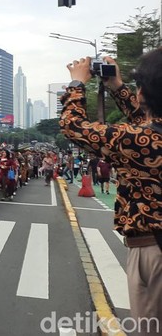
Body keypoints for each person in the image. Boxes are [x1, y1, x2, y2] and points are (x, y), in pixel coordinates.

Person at [60, 51, 162, 333]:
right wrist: (118, 87)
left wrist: (77, 84)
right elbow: (147, 120)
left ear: (143, 91)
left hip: (152, 248)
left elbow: (73, 127)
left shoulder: (138, 138)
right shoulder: (146, 135)